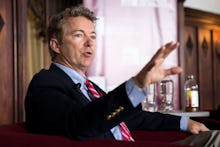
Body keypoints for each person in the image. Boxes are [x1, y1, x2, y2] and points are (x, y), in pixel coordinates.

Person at [25, 5, 209, 142]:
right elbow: (79, 124)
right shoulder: (45, 83)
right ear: (56, 45)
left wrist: (185, 123)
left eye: (93, 36)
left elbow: (132, 118)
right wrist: (136, 83)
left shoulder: (89, 87)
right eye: (79, 35)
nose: (90, 43)